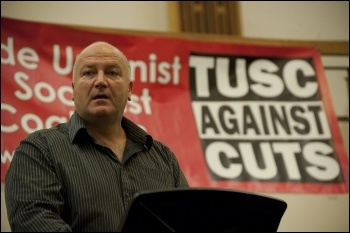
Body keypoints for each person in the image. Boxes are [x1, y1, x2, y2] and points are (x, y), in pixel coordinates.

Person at [5, 41, 189, 232]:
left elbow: (189, 220)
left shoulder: (163, 157)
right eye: (88, 73)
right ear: (73, 90)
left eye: (112, 72)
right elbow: (34, 221)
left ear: (129, 89)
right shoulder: (39, 150)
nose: (100, 81)